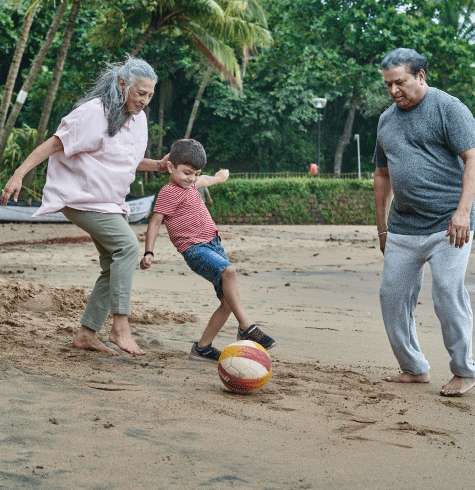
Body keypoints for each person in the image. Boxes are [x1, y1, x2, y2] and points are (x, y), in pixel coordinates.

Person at [0, 57, 168, 356]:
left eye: (150, 95)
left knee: (112, 265)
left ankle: (86, 333)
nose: (145, 100)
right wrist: (18, 174)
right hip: (79, 199)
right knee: (128, 248)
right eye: (140, 93)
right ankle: (120, 326)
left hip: (109, 203)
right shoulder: (94, 114)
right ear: (122, 85)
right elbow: (53, 144)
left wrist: (157, 165)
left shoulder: (137, 120)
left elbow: (122, 160)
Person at [373, 48, 475, 396]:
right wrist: (382, 227)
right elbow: (382, 174)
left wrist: (463, 211)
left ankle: (464, 370)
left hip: (450, 225)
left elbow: (473, 158)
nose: (393, 91)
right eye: (387, 85)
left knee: (448, 291)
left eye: (399, 83)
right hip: (403, 226)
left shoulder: (448, 108)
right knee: (392, 295)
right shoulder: (386, 119)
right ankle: (414, 367)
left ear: (421, 76)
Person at [140, 138, 276, 361]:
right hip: (194, 249)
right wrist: (149, 252)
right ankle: (246, 326)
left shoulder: (192, 183)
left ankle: (202, 348)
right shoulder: (167, 192)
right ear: (170, 166)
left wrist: (219, 178)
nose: (190, 178)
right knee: (228, 271)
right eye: (186, 172)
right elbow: (155, 222)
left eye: (194, 173)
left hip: (214, 244)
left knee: (228, 301)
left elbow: (203, 180)